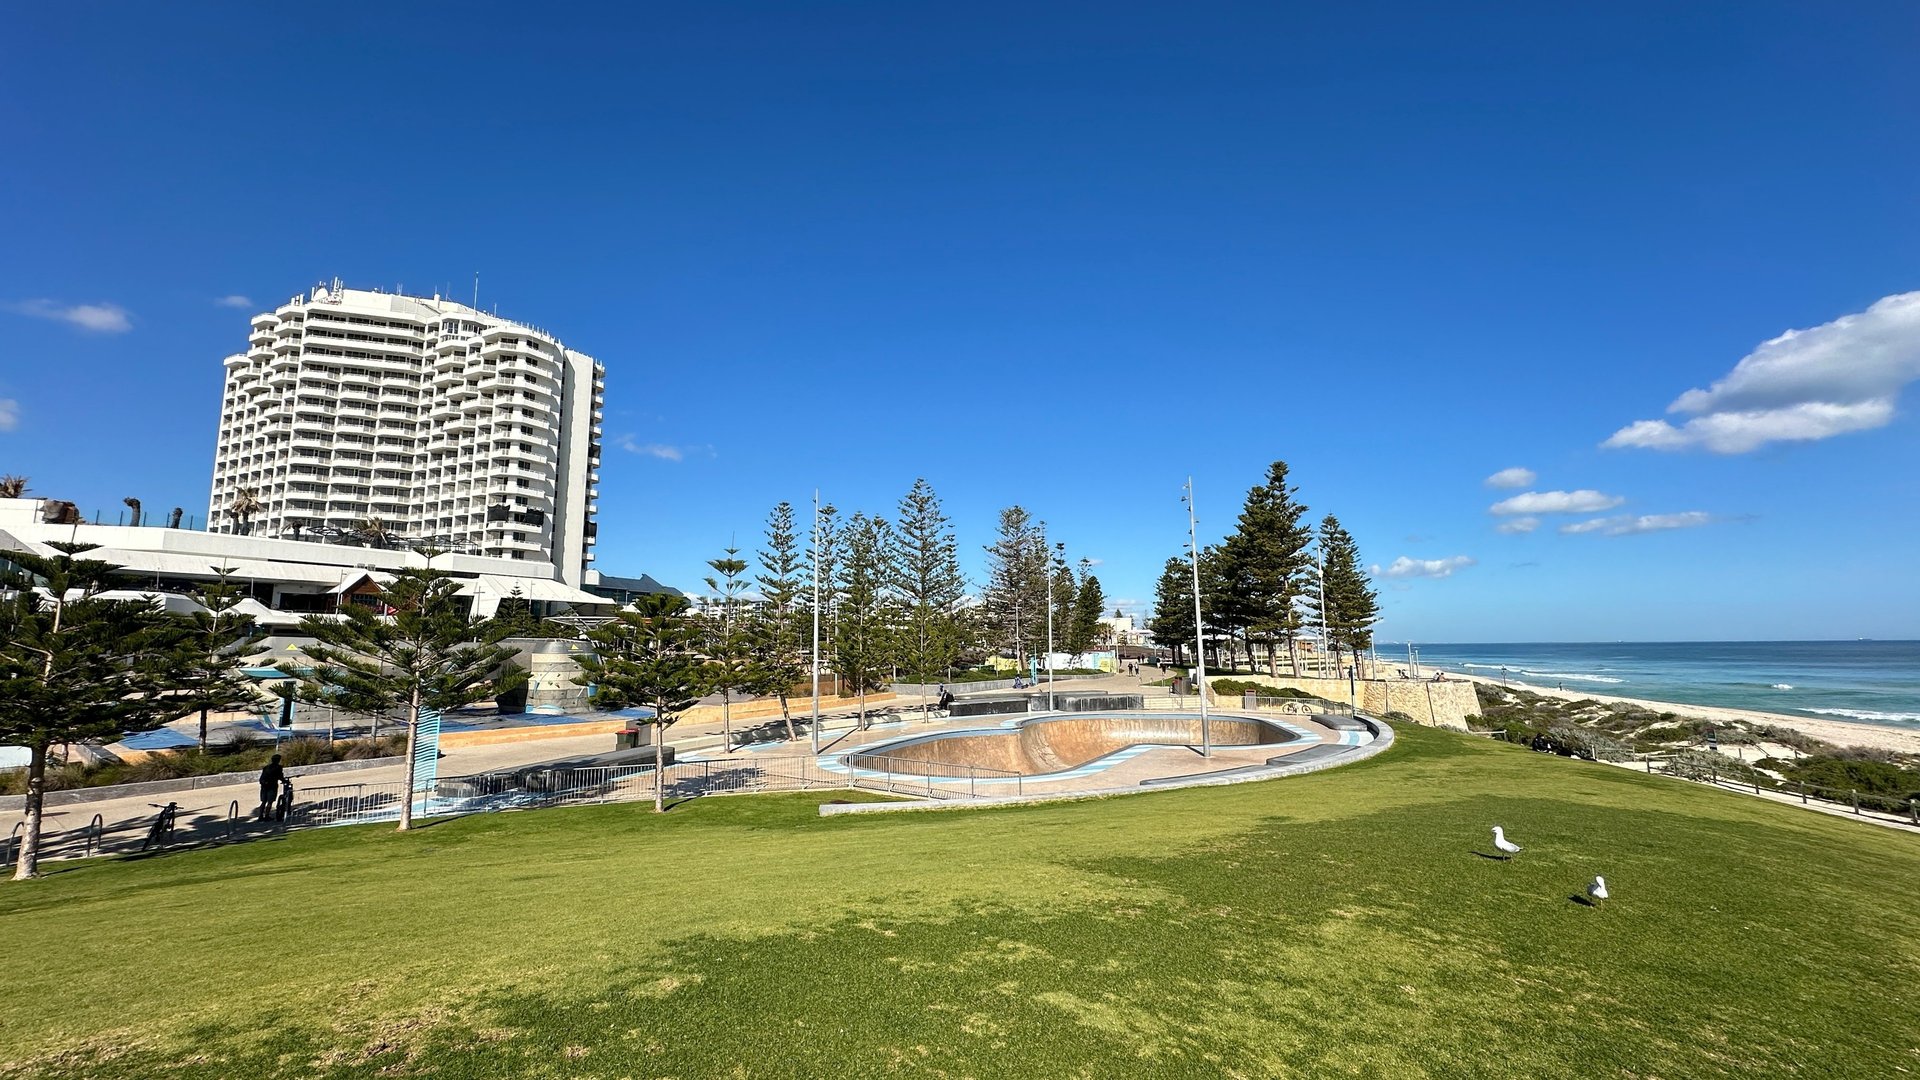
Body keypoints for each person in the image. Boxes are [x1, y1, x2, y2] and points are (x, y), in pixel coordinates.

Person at [258, 754, 285, 820]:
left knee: (263, 802)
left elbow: (262, 777)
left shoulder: (266, 767)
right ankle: (267, 816)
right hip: (272, 786)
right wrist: (284, 780)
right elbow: (280, 776)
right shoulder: (278, 767)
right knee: (270, 802)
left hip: (264, 786)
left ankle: (260, 816)